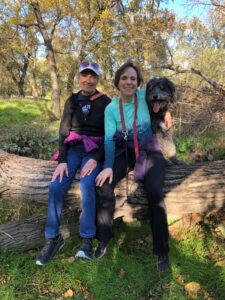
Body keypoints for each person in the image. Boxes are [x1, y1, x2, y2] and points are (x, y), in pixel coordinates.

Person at [95, 62, 172, 272]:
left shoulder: (143, 96)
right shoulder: (111, 108)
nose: (128, 82)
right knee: (104, 185)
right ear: (117, 82)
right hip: (125, 151)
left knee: (155, 192)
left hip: (148, 150)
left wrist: (167, 113)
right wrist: (108, 166)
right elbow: (109, 140)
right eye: (124, 78)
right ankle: (104, 237)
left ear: (138, 83)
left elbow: (162, 101)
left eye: (133, 79)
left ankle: (161, 250)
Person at [36, 62, 111, 265]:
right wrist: (61, 161)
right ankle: (53, 238)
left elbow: (109, 135)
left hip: (94, 151)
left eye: (92, 76)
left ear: (97, 79)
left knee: (88, 183)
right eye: (84, 76)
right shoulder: (72, 101)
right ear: (79, 77)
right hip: (73, 149)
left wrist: (97, 158)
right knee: (56, 185)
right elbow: (63, 132)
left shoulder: (106, 102)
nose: (88, 80)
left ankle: (87, 240)